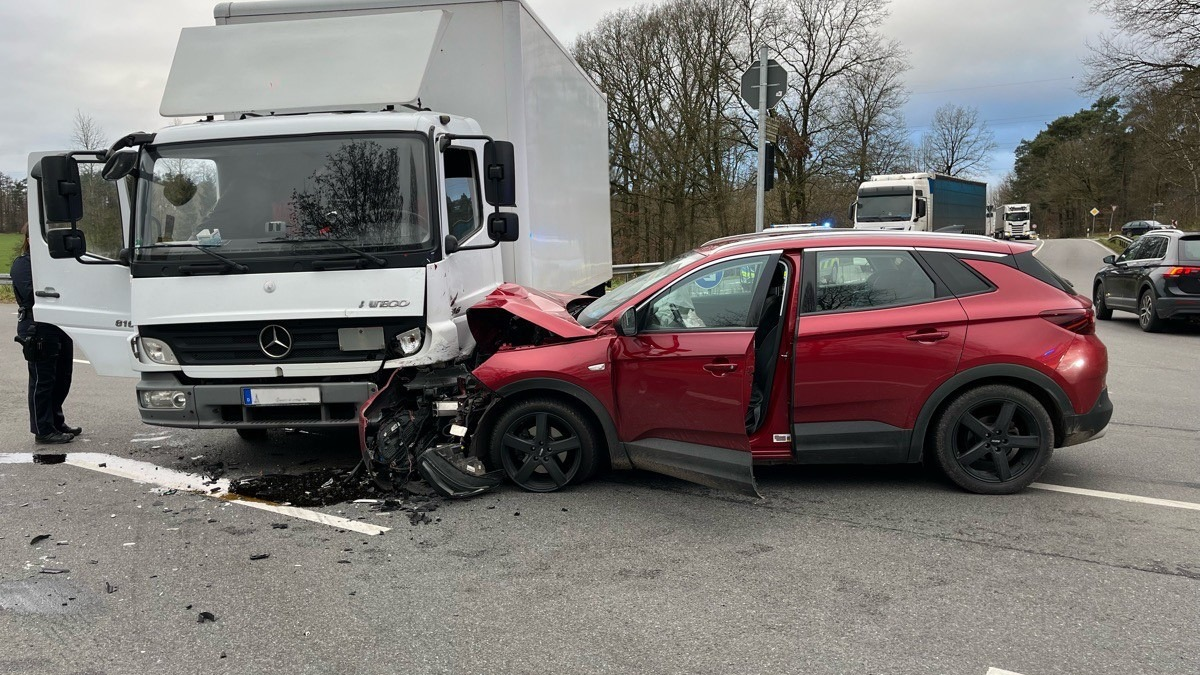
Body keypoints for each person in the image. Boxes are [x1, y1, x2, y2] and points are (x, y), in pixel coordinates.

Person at [11, 224, 79, 444]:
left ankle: (56, 421)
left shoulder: (54, 264)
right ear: (30, 240)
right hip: (36, 327)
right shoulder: (23, 264)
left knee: (62, 377)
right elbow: (32, 295)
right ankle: (43, 429)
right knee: (42, 381)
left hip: (58, 325)